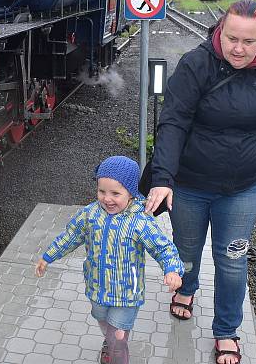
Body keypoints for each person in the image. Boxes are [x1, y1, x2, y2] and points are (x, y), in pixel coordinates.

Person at [145, 0, 256, 364]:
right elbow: (173, 122)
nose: (238, 49)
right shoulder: (196, 64)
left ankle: (226, 330)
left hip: (242, 188)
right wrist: (163, 179)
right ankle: (186, 288)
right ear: (220, 30)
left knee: (233, 260)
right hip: (189, 184)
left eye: (248, 42)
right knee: (185, 250)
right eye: (231, 38)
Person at [35, 155, 184, 364]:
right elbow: (70, 236)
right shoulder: (90, 214)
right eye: (101, 191)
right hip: (97, 287)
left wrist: (172, 269)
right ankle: (110, 341)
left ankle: (116, 349)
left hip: (126, 293)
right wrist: (48, 256)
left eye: (115, 193)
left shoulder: (140, 220)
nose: (107, 199)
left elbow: (163, 247)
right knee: (103, 321)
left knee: (118, 337)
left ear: (131, 193)